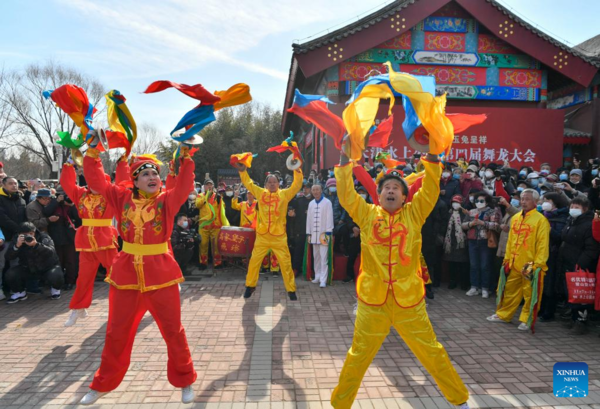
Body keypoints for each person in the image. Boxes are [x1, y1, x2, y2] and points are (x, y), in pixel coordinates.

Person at [331, 150, 469, 409]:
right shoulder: (367, 213)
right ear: (379, 194)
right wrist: (343, 163)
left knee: (432, 352)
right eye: (386, 188)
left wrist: (432, 160)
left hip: (409, 301)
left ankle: (460, 401)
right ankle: (340, 405)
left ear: (405, 196)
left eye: (396, 188)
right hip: (372, 302)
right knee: (358, 356)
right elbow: (347, 195)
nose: (391, 191)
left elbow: (430, 190)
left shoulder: (414, 214)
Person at [79, 145, 196, 405]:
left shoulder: (167, 200)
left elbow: (185, 186)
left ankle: (185, 379)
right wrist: (92, 154)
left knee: (173, 331)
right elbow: (97, 180)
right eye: (146, 174)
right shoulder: (120, 198)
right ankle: (102, 383)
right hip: (126, 276)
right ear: (134, 180)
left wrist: (186, 159)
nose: (153, 177)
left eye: (156, 173)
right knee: (116, 332)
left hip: (161, 276)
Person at [59, 162, 120, 327]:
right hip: (86, 241)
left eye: (97, 180)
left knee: (117, 276)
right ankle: (78, 308)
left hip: (106, 240)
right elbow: (67, 183)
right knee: (84, 278)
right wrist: (68, 166)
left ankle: (121, 309)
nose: (93, 184)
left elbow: (121, 182)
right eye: (91, 181)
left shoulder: (110, 194)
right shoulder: (80, 194)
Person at [236, 163, 302, 300]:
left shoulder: (285, 194)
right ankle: (250, 285)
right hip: (262, 236)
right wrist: (243, 171)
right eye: (270, 182)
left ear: (279, 183)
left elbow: (296, 185)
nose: (272, 184)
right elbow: (248, 183)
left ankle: (291, 290)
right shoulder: (260, 193)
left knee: (285, 264)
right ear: (266, 184)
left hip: (279, 237)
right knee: (254, 261)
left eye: (275, 182)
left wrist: (297, 170)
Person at [487, 189, 550, 332]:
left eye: (527, 199)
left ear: (535, 202)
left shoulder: (541, 220)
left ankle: (527, 319)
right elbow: (510, 241)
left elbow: (542, 244)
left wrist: (538, 264)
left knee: (529, 293)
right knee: (510, 290)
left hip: (529, 264)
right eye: (522, 199)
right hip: (514, 262)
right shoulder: (515, 218)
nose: (523, 201)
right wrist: (507, 259)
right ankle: (504, 314)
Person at [557, 196, 598, 334]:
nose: (573, 210)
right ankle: (574, 319)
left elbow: (592, 248)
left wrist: (580, 264)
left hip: (580, 265)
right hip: (567, 263)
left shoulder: (589, 224)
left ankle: (581, 322)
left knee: (581, 296)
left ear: (585, 209)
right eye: (572, 207)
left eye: (577, 207)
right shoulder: (571, 221)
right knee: (572, 294)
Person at [5, 222, 63, 303]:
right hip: (28, 268)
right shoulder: (16, 239)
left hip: (47, 268)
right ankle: (20, 293)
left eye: (31, 233)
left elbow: (51, 252)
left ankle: (55, 289)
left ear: (35, 232)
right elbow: (8, 257)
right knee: (11, 274)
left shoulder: (43, 236)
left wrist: (36, 245)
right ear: (19, 234)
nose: (28, 236)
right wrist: (17, 246)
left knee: (56, 274)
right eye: (24, 234)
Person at [537, 192, 569, 322]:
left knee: (550, 283)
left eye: (548, 200)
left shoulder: (562, 217)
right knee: (541, 281)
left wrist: (549, 229)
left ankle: (549, 311)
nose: (544, 203)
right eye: (544, 200)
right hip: (540, 253)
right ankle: (540, 307)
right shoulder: (542, 216)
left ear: (556, 202)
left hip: (553, 254)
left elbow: (560, 237)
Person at [463, 192, 501, 298]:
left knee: (485, 266)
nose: (479, 203)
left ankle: (485, 288)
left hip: (485, 241)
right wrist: (471, 224)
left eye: (481, 201)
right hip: (472, 241)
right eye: (477, 201)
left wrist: (483, 223)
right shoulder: (471, 212)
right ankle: (474, 286)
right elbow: (463, 224)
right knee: (473, 265)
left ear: (487, 202)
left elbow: (497, 226)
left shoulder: (492, 212)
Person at [44, 189, 81, 290]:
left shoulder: (72, 204)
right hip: (56, 236)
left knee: (71, 261)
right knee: (58, 261)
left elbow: (79, 217)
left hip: (69, 237)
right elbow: (46, 212)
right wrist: (56, 202)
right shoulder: (53, 203)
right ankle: (58, 281)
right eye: (61, 195)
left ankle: (70, 281)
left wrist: (72, 205)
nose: (64, 197)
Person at [0, 176, 27, 300]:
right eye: (10, 183)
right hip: (4, 238)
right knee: (1, 264)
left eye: (15, 183)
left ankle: (15, 288)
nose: (14, 186)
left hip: (18, 238)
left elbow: (24, 218)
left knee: (15, 264)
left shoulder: (21, 199)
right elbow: (3, 218)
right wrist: (18, 228)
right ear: (3, 185)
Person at [196, 178, 229, 270]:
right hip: (204, 226)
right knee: (203, 244)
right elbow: (198, 205)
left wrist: (220, 200)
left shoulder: (217, 196)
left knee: (216, 245)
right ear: (204, 186)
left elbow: (223, 209)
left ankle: (217, 263)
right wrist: (206, 197)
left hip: (215, 225)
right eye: (207, 185)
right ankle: (203, 263)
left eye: (210, 185)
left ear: (213, 186)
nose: (209, 186)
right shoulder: (200, 196)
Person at [306, 184, 334, 288]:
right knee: (315, 256)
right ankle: (317, 276)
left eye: (317, 189)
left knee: (324, 257)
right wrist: (308, 232)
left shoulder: (327, 202)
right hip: (313, 234)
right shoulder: (311, 203)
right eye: (314, 190)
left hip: (324, 234)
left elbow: (329, 217)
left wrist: (328, 232)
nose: (316, 192)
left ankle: (323, 279)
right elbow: (308, 219)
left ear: (321, 190)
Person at [443, 195, 469, 290]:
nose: (455, 204)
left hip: (462, 241)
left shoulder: (465, 213)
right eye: (454, 202)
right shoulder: (448, 213)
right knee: (452, 264)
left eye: (457, 202)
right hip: (451, 242)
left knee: (462, 264)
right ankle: (452, 281)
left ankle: (463, 283)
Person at [288, 182, 312, 275]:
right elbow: (291, 208)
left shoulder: (314, 201)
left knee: (312, 251)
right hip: (300, 229)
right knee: (298, 250)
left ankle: (311, 270)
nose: (305, 190)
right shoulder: (298, 200)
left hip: (312, 230)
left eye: (307, 188)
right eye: (304, 188)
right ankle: (296, 269)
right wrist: (292, 214)